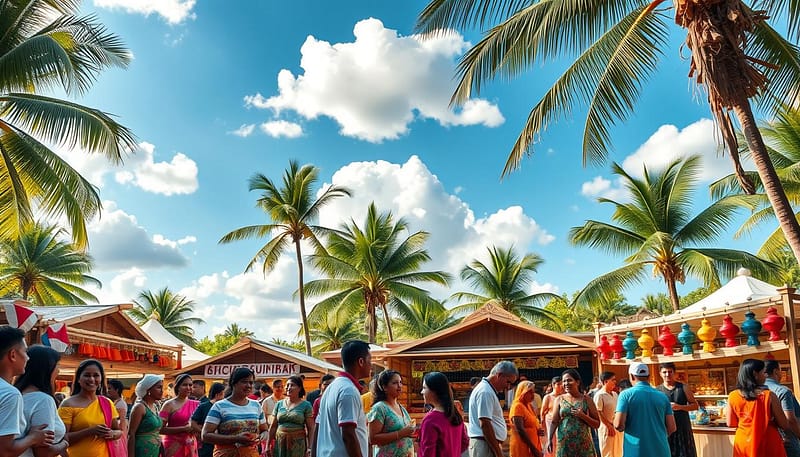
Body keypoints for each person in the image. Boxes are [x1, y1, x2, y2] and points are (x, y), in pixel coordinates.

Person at [0, 326, 54, 457]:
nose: (28, 358)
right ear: (13, 355)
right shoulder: (10, 394)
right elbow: (5, 451)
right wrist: (33, 438)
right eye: (25, 352)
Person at [312, 340, 372, 457]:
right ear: (361, 361)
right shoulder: (348, 390)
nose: (371, 365)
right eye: (370, 360)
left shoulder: (331, 388)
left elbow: (317, 428)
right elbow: (348, 435)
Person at [727, 358, 795, 457]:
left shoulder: (732, 395)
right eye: (763, 373)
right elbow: (784, 424)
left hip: (744, 443)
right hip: (767, 441)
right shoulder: (769, 395)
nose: (765, 376)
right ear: (755, 374)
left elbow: (730, 423)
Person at [59, 359, 123, 457]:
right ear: (78, 379)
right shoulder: (68, 404)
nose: (92, 379)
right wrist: (89, 431)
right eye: (87, 375)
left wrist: (112, 434)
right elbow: (61, 439)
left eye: (96, 375)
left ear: (101, 379)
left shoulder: (107, 403)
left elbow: (118, 431)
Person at [15, 344, 69, 457]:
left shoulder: (17, 394)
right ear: (47, 368)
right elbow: (43, 452)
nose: (58, 371)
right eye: (57, 365)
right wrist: (64, 443)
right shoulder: (42, 400)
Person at [613, 363, 675, 457]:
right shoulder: (662, 396)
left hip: (636, 450)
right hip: (661, 450)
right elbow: (672, 427)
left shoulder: (625, 395)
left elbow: (618, 425)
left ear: (631, 376)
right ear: (648, 377)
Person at [202, 367, 267, 457]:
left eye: (251, 382)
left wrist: (261, 437)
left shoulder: (256, 405)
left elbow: (265, 430)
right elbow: (205, 435)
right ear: (234, 383)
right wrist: (236, 439)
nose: (248, 385)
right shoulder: (219, 406)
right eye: (244, 382)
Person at [467, 360, 518, 457]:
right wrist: (498, 452)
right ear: (499, 375)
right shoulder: (485, 392)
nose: (508, 387)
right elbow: (485, 423)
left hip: (488, 445)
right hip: (485, 445)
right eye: (508, 382)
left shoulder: (487, 390)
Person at [546, 369, 599, 457]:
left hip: (583, 445)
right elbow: (554, 422)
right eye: (564, 381)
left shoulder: (586, 399)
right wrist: (549, 439)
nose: (566, 383)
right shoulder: (559, 399)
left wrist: (583, 416)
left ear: (577, 382)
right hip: (564, 445)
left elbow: (597, 424)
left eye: (569, 380)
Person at [418, 372, 468, 457]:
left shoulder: (431, 420)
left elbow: (428, 453)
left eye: (424, 388)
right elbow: (464, 443)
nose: (422, 392)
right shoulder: (455, 414)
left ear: (434, 391)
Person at [366, 370, 414, 457]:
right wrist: (400, 434)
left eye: (400, 382)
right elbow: (372, 439)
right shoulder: (379, 408)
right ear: (384, 387)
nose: (399, 386)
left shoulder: (401, 407)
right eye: (395, 383)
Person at [265, 375, 313, 457]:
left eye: (292, 385)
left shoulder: (306, 405)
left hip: (298, 444)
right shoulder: (279, 404)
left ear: (300, 388)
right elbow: (273, 426)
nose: (288, 387)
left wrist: (309, 448)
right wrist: (267, 445)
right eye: (287, 385)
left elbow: (311, 428)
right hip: (280, 443)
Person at [655, 362, 697, 457]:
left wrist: (680, 407)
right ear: (660, 373)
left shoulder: (683, 387)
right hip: (665, 429)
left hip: (682, 429)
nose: (667, 374)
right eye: (664, 372)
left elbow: (695, 405)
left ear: (674, 373)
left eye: (670, 372)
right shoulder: (657, 391)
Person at [765, 360, 800, 457]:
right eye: (780, 370)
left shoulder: (757, 391)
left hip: (769, 440)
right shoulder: (783, 391)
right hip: (788, 440)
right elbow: (790, 419)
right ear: (776, 371)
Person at [159, 374, 199, 457]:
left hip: (190, 444)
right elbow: (160, 429)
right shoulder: (168, 405)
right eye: (184, 385)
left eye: (190, 385)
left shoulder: (197, 404)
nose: (188, 387)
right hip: (173, 446)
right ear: (177, 387)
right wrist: (184, 429)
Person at [127, 375, 164, 457]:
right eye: (159, 387)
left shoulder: (155, 406)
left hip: (154, 450)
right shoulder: (140, 407)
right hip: (142, 451)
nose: (162, 391)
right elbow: (131, 434)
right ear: (148, 390)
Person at [509, 380, 542, 457]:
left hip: (533, 445)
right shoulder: (517, 406)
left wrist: (538, 430)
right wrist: (533, 449)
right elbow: (520, 429)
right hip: (523, 447)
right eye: (530, 392)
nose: (533, 396)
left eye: (533, 392)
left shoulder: (528, 406)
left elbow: (532, 422)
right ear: (522, 393)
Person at [191, 383, 224, 457]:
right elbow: (192, 423)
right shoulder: (203, 406)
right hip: (205, 445)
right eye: (223, 395)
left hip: (220, 445)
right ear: (218, 394)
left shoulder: (224, 408)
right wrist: (204, 432)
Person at [593, 371, 621, 457]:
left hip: (616, 427)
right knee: (607, 452)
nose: (615, 382)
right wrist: (609, 426)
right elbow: (598, 412)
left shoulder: (615, 394)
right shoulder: (599, 395)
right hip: (606, 428)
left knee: (618, 451)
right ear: (605, 382)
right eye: (613, 380)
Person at [539, 376, 563, 457]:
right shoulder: (548, 397)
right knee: (551, 442)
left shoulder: (564, 396)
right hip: (550, 423)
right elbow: (542, 412)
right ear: (553, 385)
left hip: (562, 423)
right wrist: (542, 425)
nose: (561, 386)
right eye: (558, 384)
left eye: (562, 384)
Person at [107, 379, 128, 454]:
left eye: (110, 388)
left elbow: (119, 422)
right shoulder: (116, 402)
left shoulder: (120, 404)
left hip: (118, 434)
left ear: (117, 390)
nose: (108, 391)